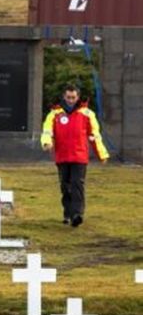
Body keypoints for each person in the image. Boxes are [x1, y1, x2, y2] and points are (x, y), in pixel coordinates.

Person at [40, 84, 109, 227]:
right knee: (65, 186)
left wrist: (101, 154)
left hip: (79, 156)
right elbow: (47, 130)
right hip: (62, 156)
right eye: (68, 97)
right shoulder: (54, 114)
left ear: (78, 97)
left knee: (77, 184)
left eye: (73, 97)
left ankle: (77, 214)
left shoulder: (87, 114)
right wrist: (47, 143)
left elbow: (94, 135)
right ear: (64, 97)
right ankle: (67, 213)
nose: (71, 100)